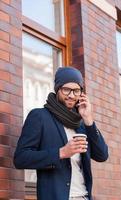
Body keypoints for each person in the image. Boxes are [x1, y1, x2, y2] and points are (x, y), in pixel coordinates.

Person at [14, 66, 108, 200]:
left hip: (84, 196)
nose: (71, 95)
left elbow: (102, 155)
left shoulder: (81, 124)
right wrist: (61, 153)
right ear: (57, 89)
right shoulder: (40, 117)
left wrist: (88, 119)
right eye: (66, 89)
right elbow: (20, 158)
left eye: (76, 90)